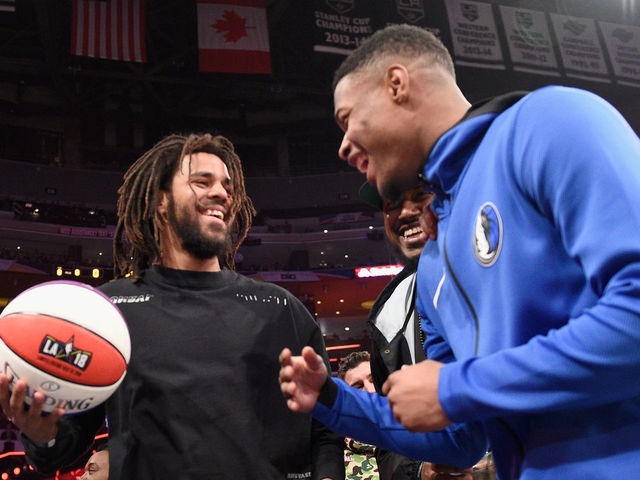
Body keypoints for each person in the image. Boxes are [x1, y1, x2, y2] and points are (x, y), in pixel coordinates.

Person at [280, 23, 640, 480]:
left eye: (346, 118)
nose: (344, 145)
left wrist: (456, 387)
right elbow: (461, 437)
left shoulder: (550, 121)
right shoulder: (432, 263)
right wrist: (334, 399)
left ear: (397, 84)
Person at [0, 133, 344, 480]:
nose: (221, 193)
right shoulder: (105, 313)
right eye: (201, 181)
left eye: (227, 185)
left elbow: (326, 428)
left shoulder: (279, 308)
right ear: (161, 201)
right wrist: (41, 434)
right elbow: (65, 449)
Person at [339, 351, 472, 480]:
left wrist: (423, 471)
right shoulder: (337, 461)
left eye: (373, 380)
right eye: (358, 387)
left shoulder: (422, 435)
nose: (371, 390)